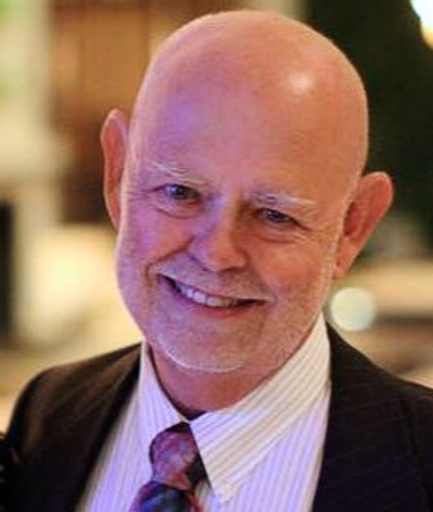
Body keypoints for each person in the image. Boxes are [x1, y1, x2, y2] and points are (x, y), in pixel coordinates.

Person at [5, 9, 433, 512]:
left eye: (274, 215)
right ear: (117, 174)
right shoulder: (49, 419)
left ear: (353, 226)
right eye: (180, 192)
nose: (217, 254)